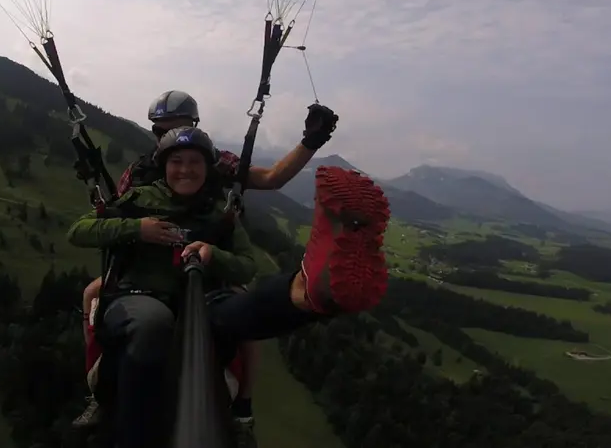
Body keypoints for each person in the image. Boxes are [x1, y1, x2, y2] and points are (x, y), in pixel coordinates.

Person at [67, 127, 390, 448]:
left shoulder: (219, 214)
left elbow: (247, 264)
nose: (185, 169)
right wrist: (138, 228)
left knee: (234, 313)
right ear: (164, 166)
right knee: (153, 323)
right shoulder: (138, 200)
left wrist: (214, 255)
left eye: (194, 162)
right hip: (139, 296)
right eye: (176, 161)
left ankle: (304, 292)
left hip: (202, 299)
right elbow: (79, 231)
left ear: (207, 169)